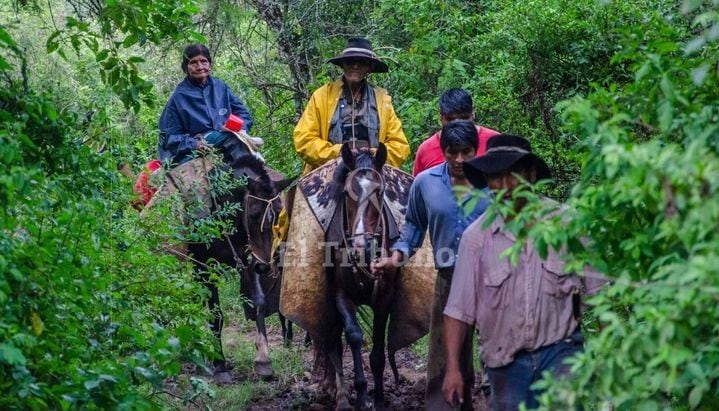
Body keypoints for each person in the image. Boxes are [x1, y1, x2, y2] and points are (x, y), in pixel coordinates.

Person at [442, 135, 606, 410]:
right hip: (504, 361)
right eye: (496, 176)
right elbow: (459, 311)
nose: (505, 186)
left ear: (530, 175)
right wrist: (453, 369)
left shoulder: (568, 226)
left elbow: (600, 294)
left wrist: (608, 358)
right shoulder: (476, 240)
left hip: (561, 352)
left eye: (513, 175)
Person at [372, 119, 490, 410]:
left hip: (492, 279)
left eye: (467, 151)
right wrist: (395, 258)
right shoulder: (425, 183)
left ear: (476, 150)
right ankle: (445, 405)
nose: (460, 159)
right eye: (453, 152)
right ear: (443, 150)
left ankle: (496, 400)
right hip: (449, 278)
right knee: (445, 352)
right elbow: (413, 227)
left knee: (497, 348)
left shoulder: (493, 182)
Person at [293, 37, 410, 173]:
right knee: (300, 193)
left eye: (362, 62)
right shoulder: (322, 96)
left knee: (404, 191)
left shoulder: (382, 100)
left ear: (369, 67)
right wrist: (339, 153)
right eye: (350, 61)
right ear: (342, 64)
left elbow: (399, 145)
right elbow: (304, 140)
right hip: (329, 169)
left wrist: (372, 156)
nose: (355, 66)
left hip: (373, 169)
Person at [158, 43, 254, 166]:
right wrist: (195, 144)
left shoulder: (220, 87)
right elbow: (170, 137)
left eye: (204, 61)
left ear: (209, 64)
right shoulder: (178, 97)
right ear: (186, 67)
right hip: (196, 147)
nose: (199, 67)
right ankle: (254, 177)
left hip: (224, 136)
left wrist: (239, 127)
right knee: (233, 139)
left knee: (237, 138)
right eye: (193, 62)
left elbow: (243, 114)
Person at [412, 88, 499, 176]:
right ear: (441, 117)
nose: (458, 125)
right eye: (450, 120)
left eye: (464, 119)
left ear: (473, 114)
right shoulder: (426, 150)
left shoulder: (496, 143)